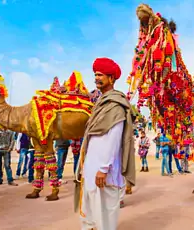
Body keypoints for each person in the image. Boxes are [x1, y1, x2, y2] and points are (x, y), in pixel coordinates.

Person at [75, 57, 136, 230]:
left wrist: (103, 168)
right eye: (95, 74)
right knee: (91, 213)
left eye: (101, 75)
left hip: (104, 171)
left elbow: (114, 138)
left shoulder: (115, 105)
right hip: (91, 168)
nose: (97, 78)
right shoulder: (101, 104)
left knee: (104, 215)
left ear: (111, 78)